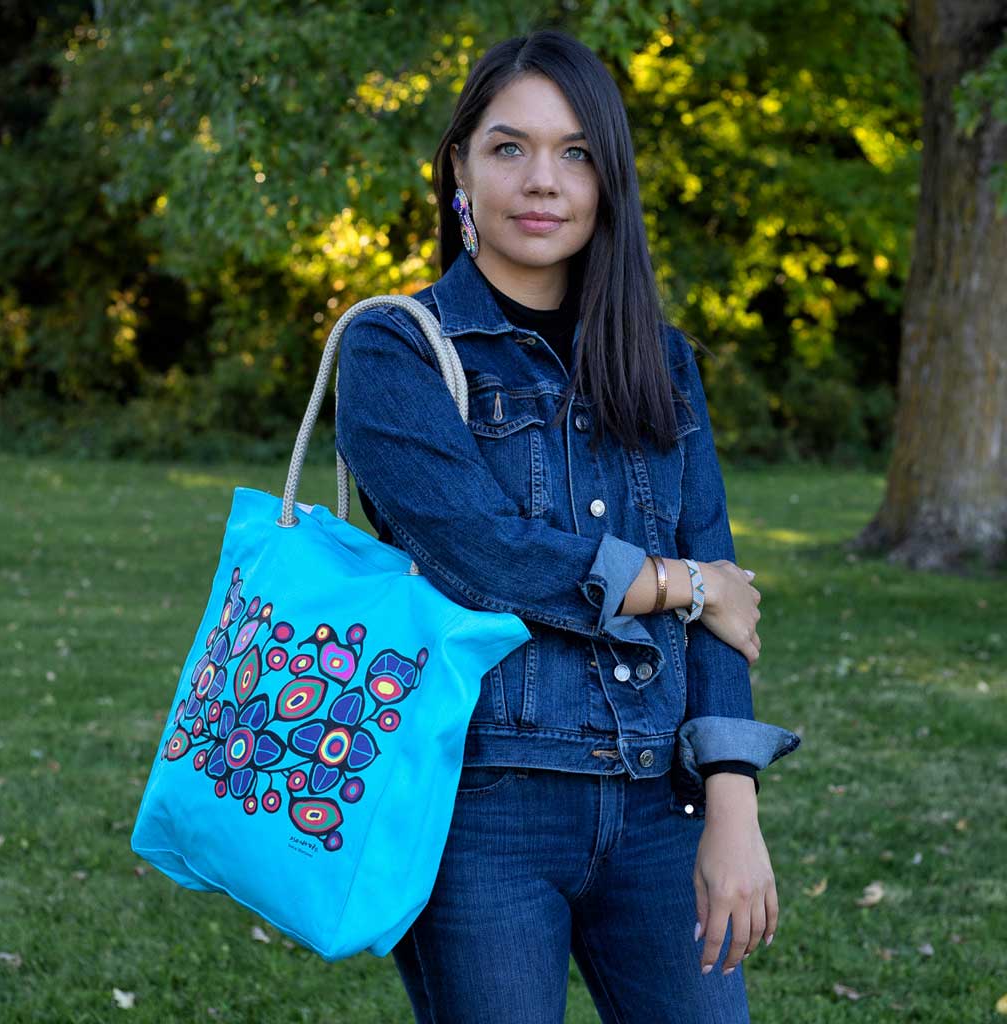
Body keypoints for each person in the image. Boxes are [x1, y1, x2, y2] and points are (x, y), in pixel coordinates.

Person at [335, 28, 802, 1024]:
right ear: (459, 166)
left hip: (658, 808)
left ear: (607, 182)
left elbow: (723, 596)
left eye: (574, 151)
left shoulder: (661, 362)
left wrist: (731, 799)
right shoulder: (394, 349)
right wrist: (678, 583)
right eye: (508, 147)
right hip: (482, 813)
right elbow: (479, 552)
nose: (541, 180)